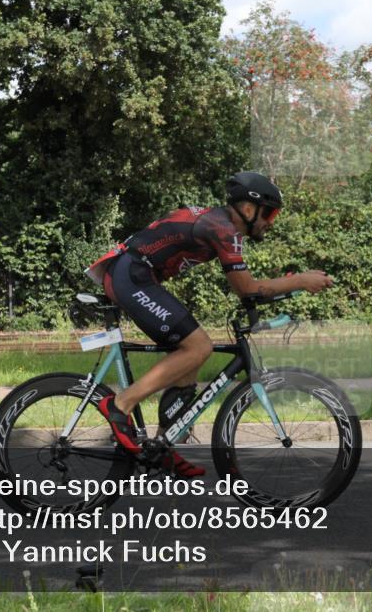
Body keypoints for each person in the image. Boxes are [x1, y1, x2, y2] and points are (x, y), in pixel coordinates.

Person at [84, 171, 334, 476]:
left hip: (136, 275)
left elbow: (248, 288)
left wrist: (289, 284)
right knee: (198, 346)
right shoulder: (222, 228)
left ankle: (163, 445)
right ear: (247, 208)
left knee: (190, 355)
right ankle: (119, 405)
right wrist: (302, 280)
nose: (272, 220)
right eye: (270, 212)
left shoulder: (224, 226)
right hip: (131, 275)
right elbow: (247, 287)